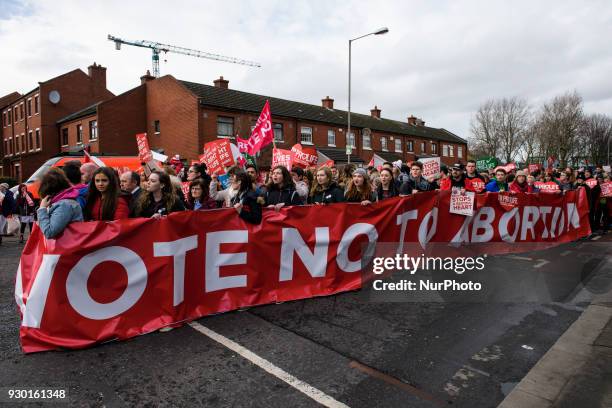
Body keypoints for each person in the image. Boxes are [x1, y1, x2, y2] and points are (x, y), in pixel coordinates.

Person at [36, 168, 84, 239]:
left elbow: (49, 232)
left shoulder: (64, 205)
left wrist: (42, 209)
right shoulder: (64, 201)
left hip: (67, 246)